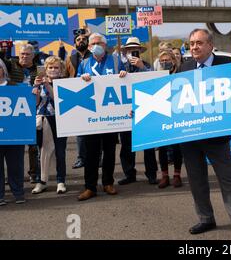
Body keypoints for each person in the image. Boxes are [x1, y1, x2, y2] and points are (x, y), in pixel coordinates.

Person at [179, 29, 231, 240]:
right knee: (196, 180)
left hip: (217, 137)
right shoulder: (185, 67)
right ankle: (205, 218)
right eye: (191, 43)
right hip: (190, 137)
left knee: (228, 180)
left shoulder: (228, 66)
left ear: (210, 45)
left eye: (199, 43)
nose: (194, 47)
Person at [76, 33, 127, 201]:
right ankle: (90, 187)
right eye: (93, 43)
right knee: (90, 154)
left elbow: (125, 78)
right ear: (89, 47)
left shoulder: (114, 60)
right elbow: (75, 84)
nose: (96, 45)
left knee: (110, 151)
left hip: (110, 117)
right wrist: (81, 79)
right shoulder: (84, 63)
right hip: (91, 116)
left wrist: (123, 74)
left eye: (99, 43)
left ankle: (108, 183)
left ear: (105, 45)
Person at [116, 37, 159, 186]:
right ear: (125, 52)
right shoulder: (120, 66)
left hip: (145, 112)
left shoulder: (147, 65)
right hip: (126, 113)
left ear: (140, 51)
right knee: (127, 146)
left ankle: (151, 174)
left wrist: (142, 68)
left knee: (148, 146)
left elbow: (155, 81)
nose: (132, 53)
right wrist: (120, 76)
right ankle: (129, 174)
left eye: (135, 50)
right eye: (129, 50)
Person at [3, 44, 40, 183]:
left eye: (27, 54)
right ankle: (11, 176)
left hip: (33, 110)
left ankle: (34, 173)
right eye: (22, 54)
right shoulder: (11, 65)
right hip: (14, 112)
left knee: (33, 145)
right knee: (10, 146)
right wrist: (5, 47)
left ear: (33, 55)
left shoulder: (37, 69)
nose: (24, 56)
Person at [31, 56, 68, 194]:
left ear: (61, 70)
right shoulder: (39, 83)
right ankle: (42, 181)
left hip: (59, 120)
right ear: (45, 69)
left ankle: (61, 181)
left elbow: (59, 100)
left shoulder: (63, 83)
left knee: (60, 152)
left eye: (56, 67)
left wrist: (47, 85)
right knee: (43, 152)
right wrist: (35, 88)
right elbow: (35, 103)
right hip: (43, 119)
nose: (53, 70)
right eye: (50, 67)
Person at [60, 30, 92, 170]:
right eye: (78, 39)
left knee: (95, 130)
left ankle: (98, 157)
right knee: (80, 131)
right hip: (77, 97)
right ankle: (81, 158)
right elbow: (65, 77)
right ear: (74, 44)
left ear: (88, 42)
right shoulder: (70, 59)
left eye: (83, 39)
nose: (81, 41)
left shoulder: (94, 56)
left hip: (93, 96)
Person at [155, 50, 184, 188]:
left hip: (178, 114)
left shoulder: (181, 74)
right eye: (162, 61)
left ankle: (177, 175)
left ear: (174, 61)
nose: (165, 63)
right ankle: (164, 176)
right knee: (162, 147)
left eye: (168, 60)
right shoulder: (157, 77)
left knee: (177, 147)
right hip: (162, 114)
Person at [0, 59, 26, 205]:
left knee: (16, 165)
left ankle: (18, 192)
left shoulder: (15, 86)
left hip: (15, 134)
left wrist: (33, 92)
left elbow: (30, 104)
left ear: (4, 69)